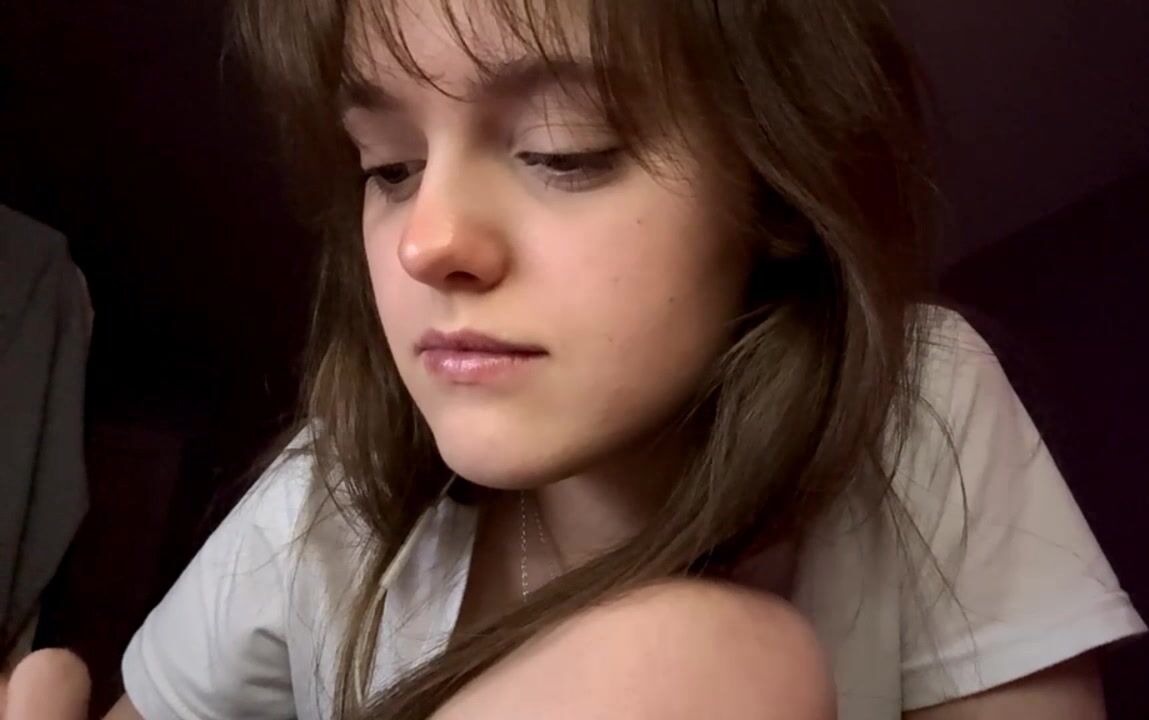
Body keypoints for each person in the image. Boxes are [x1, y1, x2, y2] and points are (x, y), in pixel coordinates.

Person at [63, 0, 1149, 718]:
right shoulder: (332, 490)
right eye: (388, 167)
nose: (426, 241)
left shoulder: (915, 403)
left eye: (562, 150)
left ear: (772, 191)